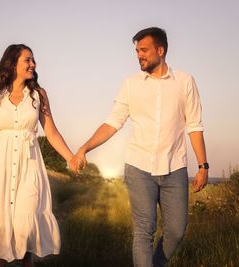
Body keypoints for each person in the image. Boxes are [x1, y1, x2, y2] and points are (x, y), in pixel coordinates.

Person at [71, 27, 209, 267]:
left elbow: (194, 125)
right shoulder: (130, 84)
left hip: (174, 167)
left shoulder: (185, 81)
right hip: (139, 167)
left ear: (161, 50)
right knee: (144, 231)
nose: (139, 55)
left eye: (144, 50)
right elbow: (113, 122)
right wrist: (85, 148)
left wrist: (203, 165)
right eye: (136, 51)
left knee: (176, 231)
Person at [0, 44, 74, 267]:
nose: (33, 64)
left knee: (26, 228)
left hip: (29, 165)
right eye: (28, 60)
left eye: (33, 60)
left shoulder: (38, 95)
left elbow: (51, 132)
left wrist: (70, 157)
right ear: (12, 63)